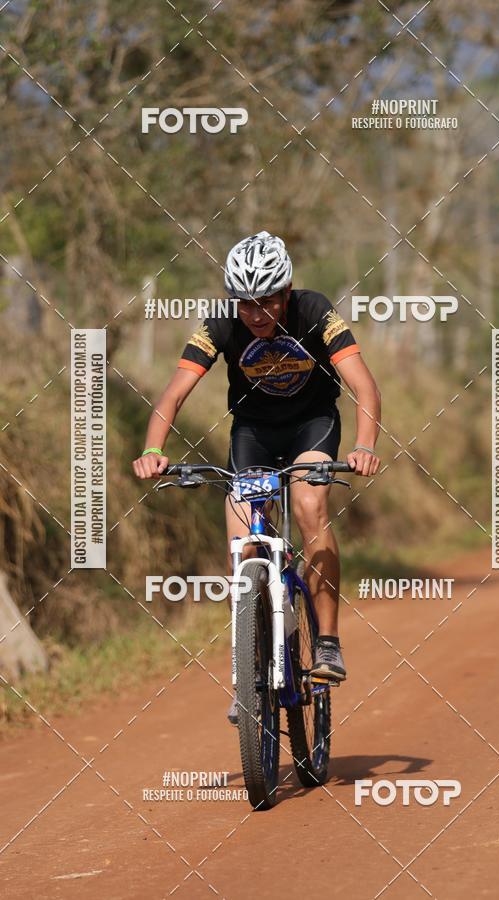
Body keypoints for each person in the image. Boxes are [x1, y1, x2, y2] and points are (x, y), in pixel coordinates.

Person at [133, 231, 382, 721]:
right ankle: (248, 673)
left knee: (310, 506)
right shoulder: (221, 324)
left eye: (265, 302)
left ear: (286, 293)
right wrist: (151, 450)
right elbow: (173, 394)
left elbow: (364, 386)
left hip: (312, 425)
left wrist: (364, 446)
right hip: (254, 433)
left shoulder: (314, 312)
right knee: (243, 542)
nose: (254, 314)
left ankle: (327, 643)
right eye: (244, 304)